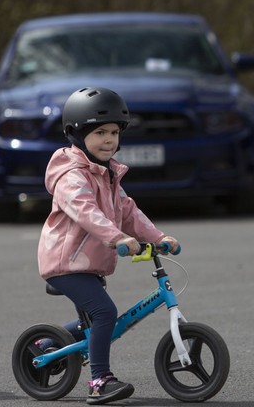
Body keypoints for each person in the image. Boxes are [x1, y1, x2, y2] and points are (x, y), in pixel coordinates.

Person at [37, 86, 179, 405]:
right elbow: (86, 212)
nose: (109, 140)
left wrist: (157, 238)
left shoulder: (109, 174)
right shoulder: (71, 176)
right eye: (100, 132)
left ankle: (48, 348)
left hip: (87, 262)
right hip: (65, 263)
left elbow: (128, 211)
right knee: (105, 312)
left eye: (114, 132)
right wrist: (118, 239)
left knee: (99, 318)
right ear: (76, 133)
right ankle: (99, 380)